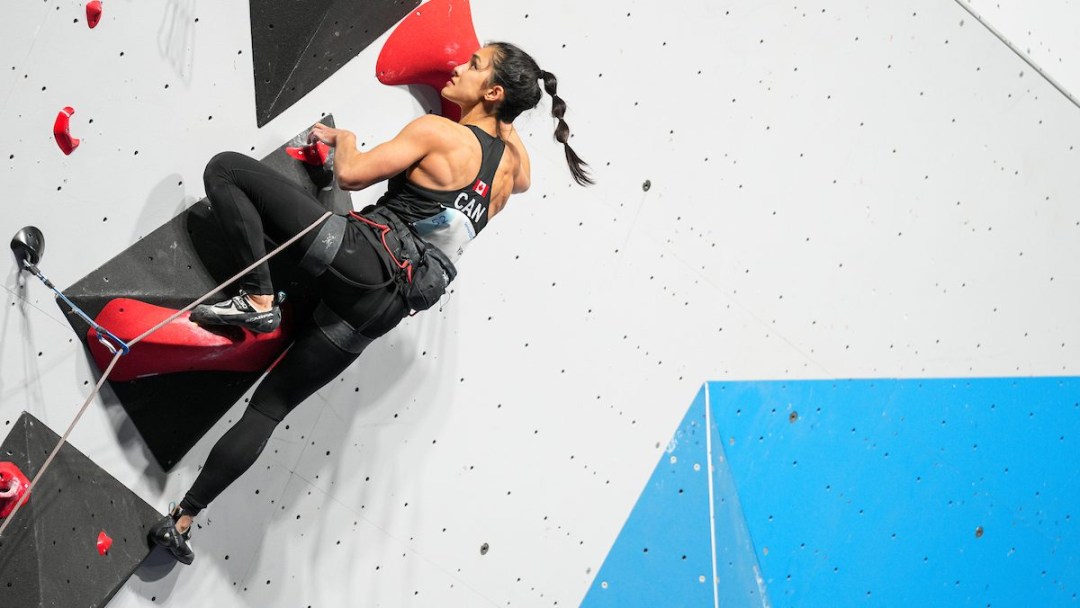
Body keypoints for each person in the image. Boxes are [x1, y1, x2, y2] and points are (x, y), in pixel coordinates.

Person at [148, 42, 592, 564]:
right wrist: (502, 116)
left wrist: (347, 138)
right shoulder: (512, 170)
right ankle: (183, 519)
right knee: (270, 408)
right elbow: (520, 166)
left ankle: (259, 295)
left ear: (493, 92)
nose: (456, 66)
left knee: (224, 170)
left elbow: (352, 175)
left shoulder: (439, 134)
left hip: (361, 258)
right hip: (379, 314)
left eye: (473, 66)